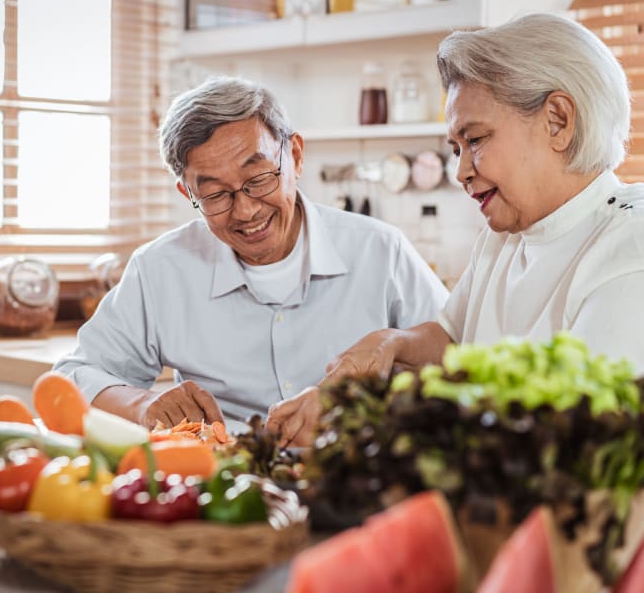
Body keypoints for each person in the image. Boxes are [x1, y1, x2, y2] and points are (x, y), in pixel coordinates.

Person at [54, 76, 449, 443]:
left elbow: (458, 355)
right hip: (223, 493)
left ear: (294, 156)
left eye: (259, 179)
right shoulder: (160, 269)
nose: (244, 211)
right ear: (186, 192)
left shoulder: (380, 250)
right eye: (215, 195)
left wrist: (386, 357)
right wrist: (141, 405)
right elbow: (72, 376)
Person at [326, 13, 644, 395]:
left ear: (557, 121)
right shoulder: (505, 236)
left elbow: (576, 426)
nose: (461, 171)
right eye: (456, 148)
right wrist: (392, 343)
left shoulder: (641, 243)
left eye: (476, 140)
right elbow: (452, 344)